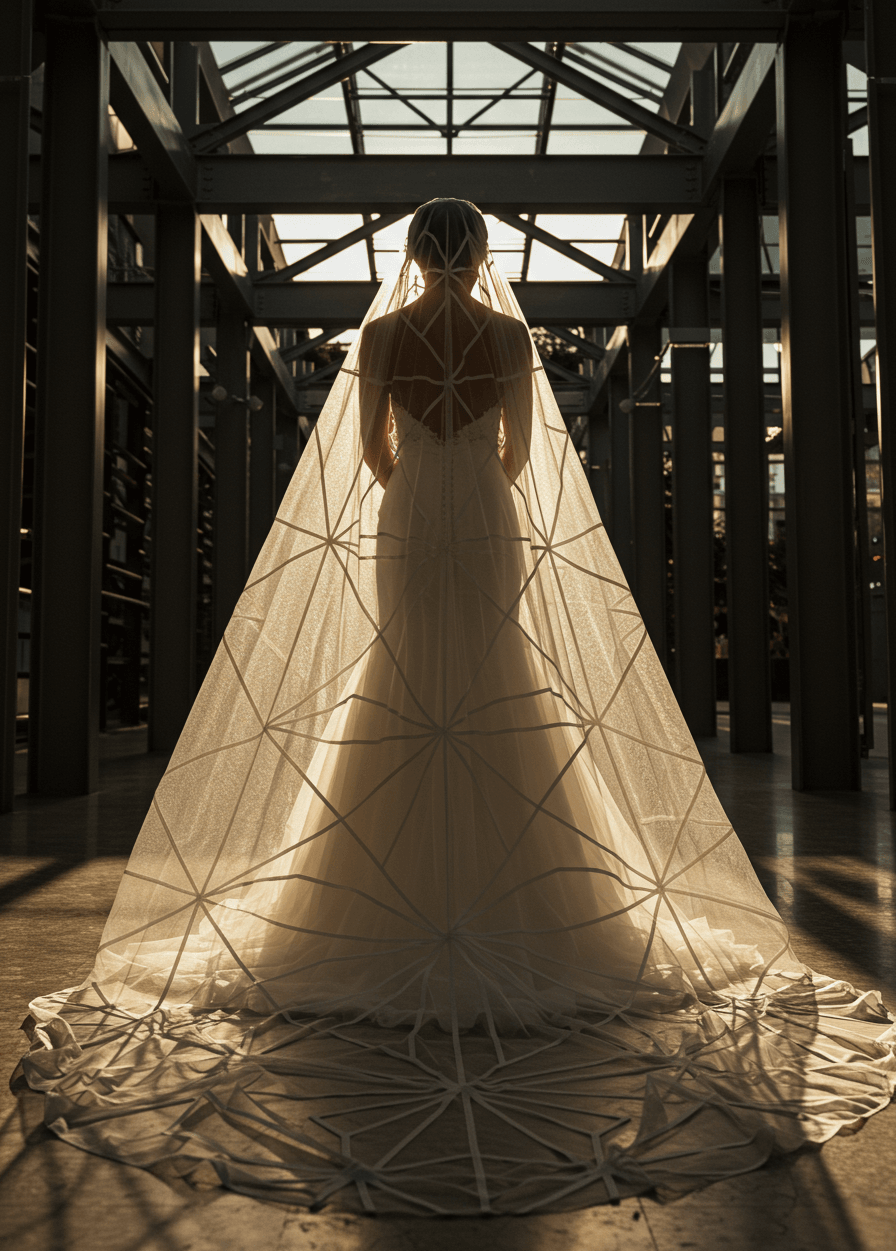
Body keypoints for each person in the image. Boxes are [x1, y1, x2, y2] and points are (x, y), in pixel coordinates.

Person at [21, 199, 896, 1215]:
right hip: (485, 512)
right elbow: (522, 452)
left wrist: (421, 473)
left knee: (400, 669)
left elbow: (369, 451)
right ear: (480, 255)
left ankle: (363, 895)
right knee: (496, 665)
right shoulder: (511, 338)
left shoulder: (384, 335)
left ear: (412, 255)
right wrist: (472, 470)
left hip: (410, 513)